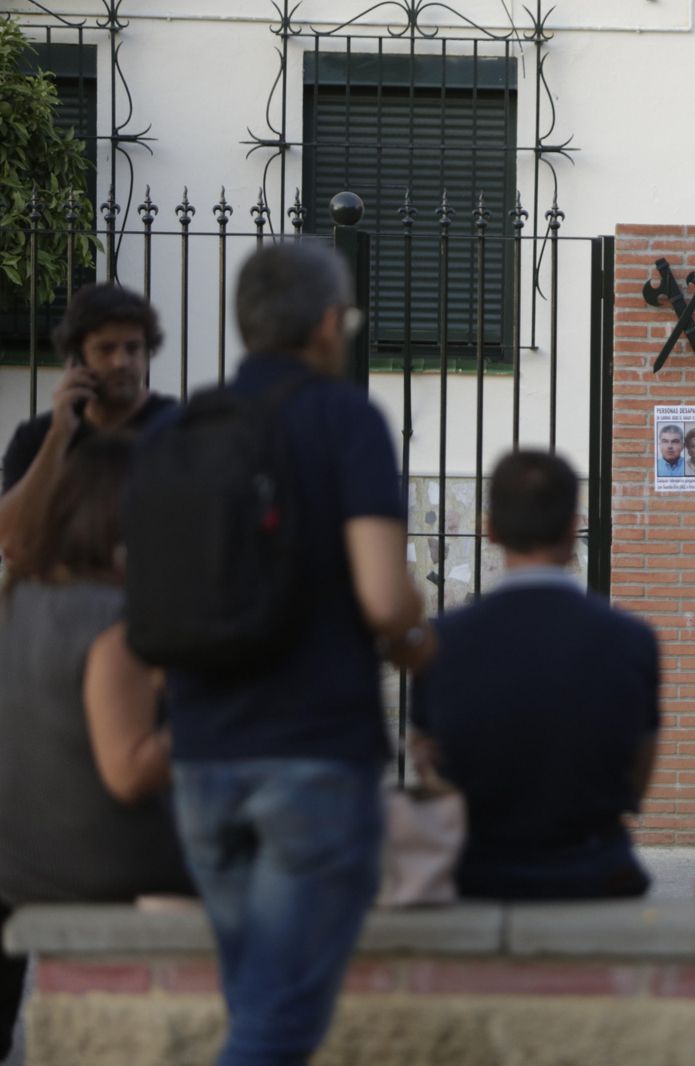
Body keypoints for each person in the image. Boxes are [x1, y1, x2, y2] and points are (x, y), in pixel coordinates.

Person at [158, 242, 432, 1066]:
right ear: (326, 324)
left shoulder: (178, 429)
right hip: (311, 759)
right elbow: (385, 599)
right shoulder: (346, 420)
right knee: (276, 1025)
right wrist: (415, 627)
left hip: (201, 758)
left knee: (257, 998)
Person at [0, 434, 192, 1061]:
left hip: (18, 857)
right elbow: (129, 771)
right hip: (101, 862)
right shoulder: (114, 621)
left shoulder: (17, 602)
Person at [411, 450, 658, 900]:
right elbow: (638, 771)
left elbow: (428, 760)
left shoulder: (442, 642)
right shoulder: (632, 640)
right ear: (573, 528)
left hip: (476, 874)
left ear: (490, 530)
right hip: (595, 868)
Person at [0, 283, 173, 564]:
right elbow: (11, 541)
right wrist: (59, 436)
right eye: (105, 349)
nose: (121, 362)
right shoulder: (37, 437)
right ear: (77, 357)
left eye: (133, 348)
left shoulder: (178, 430)